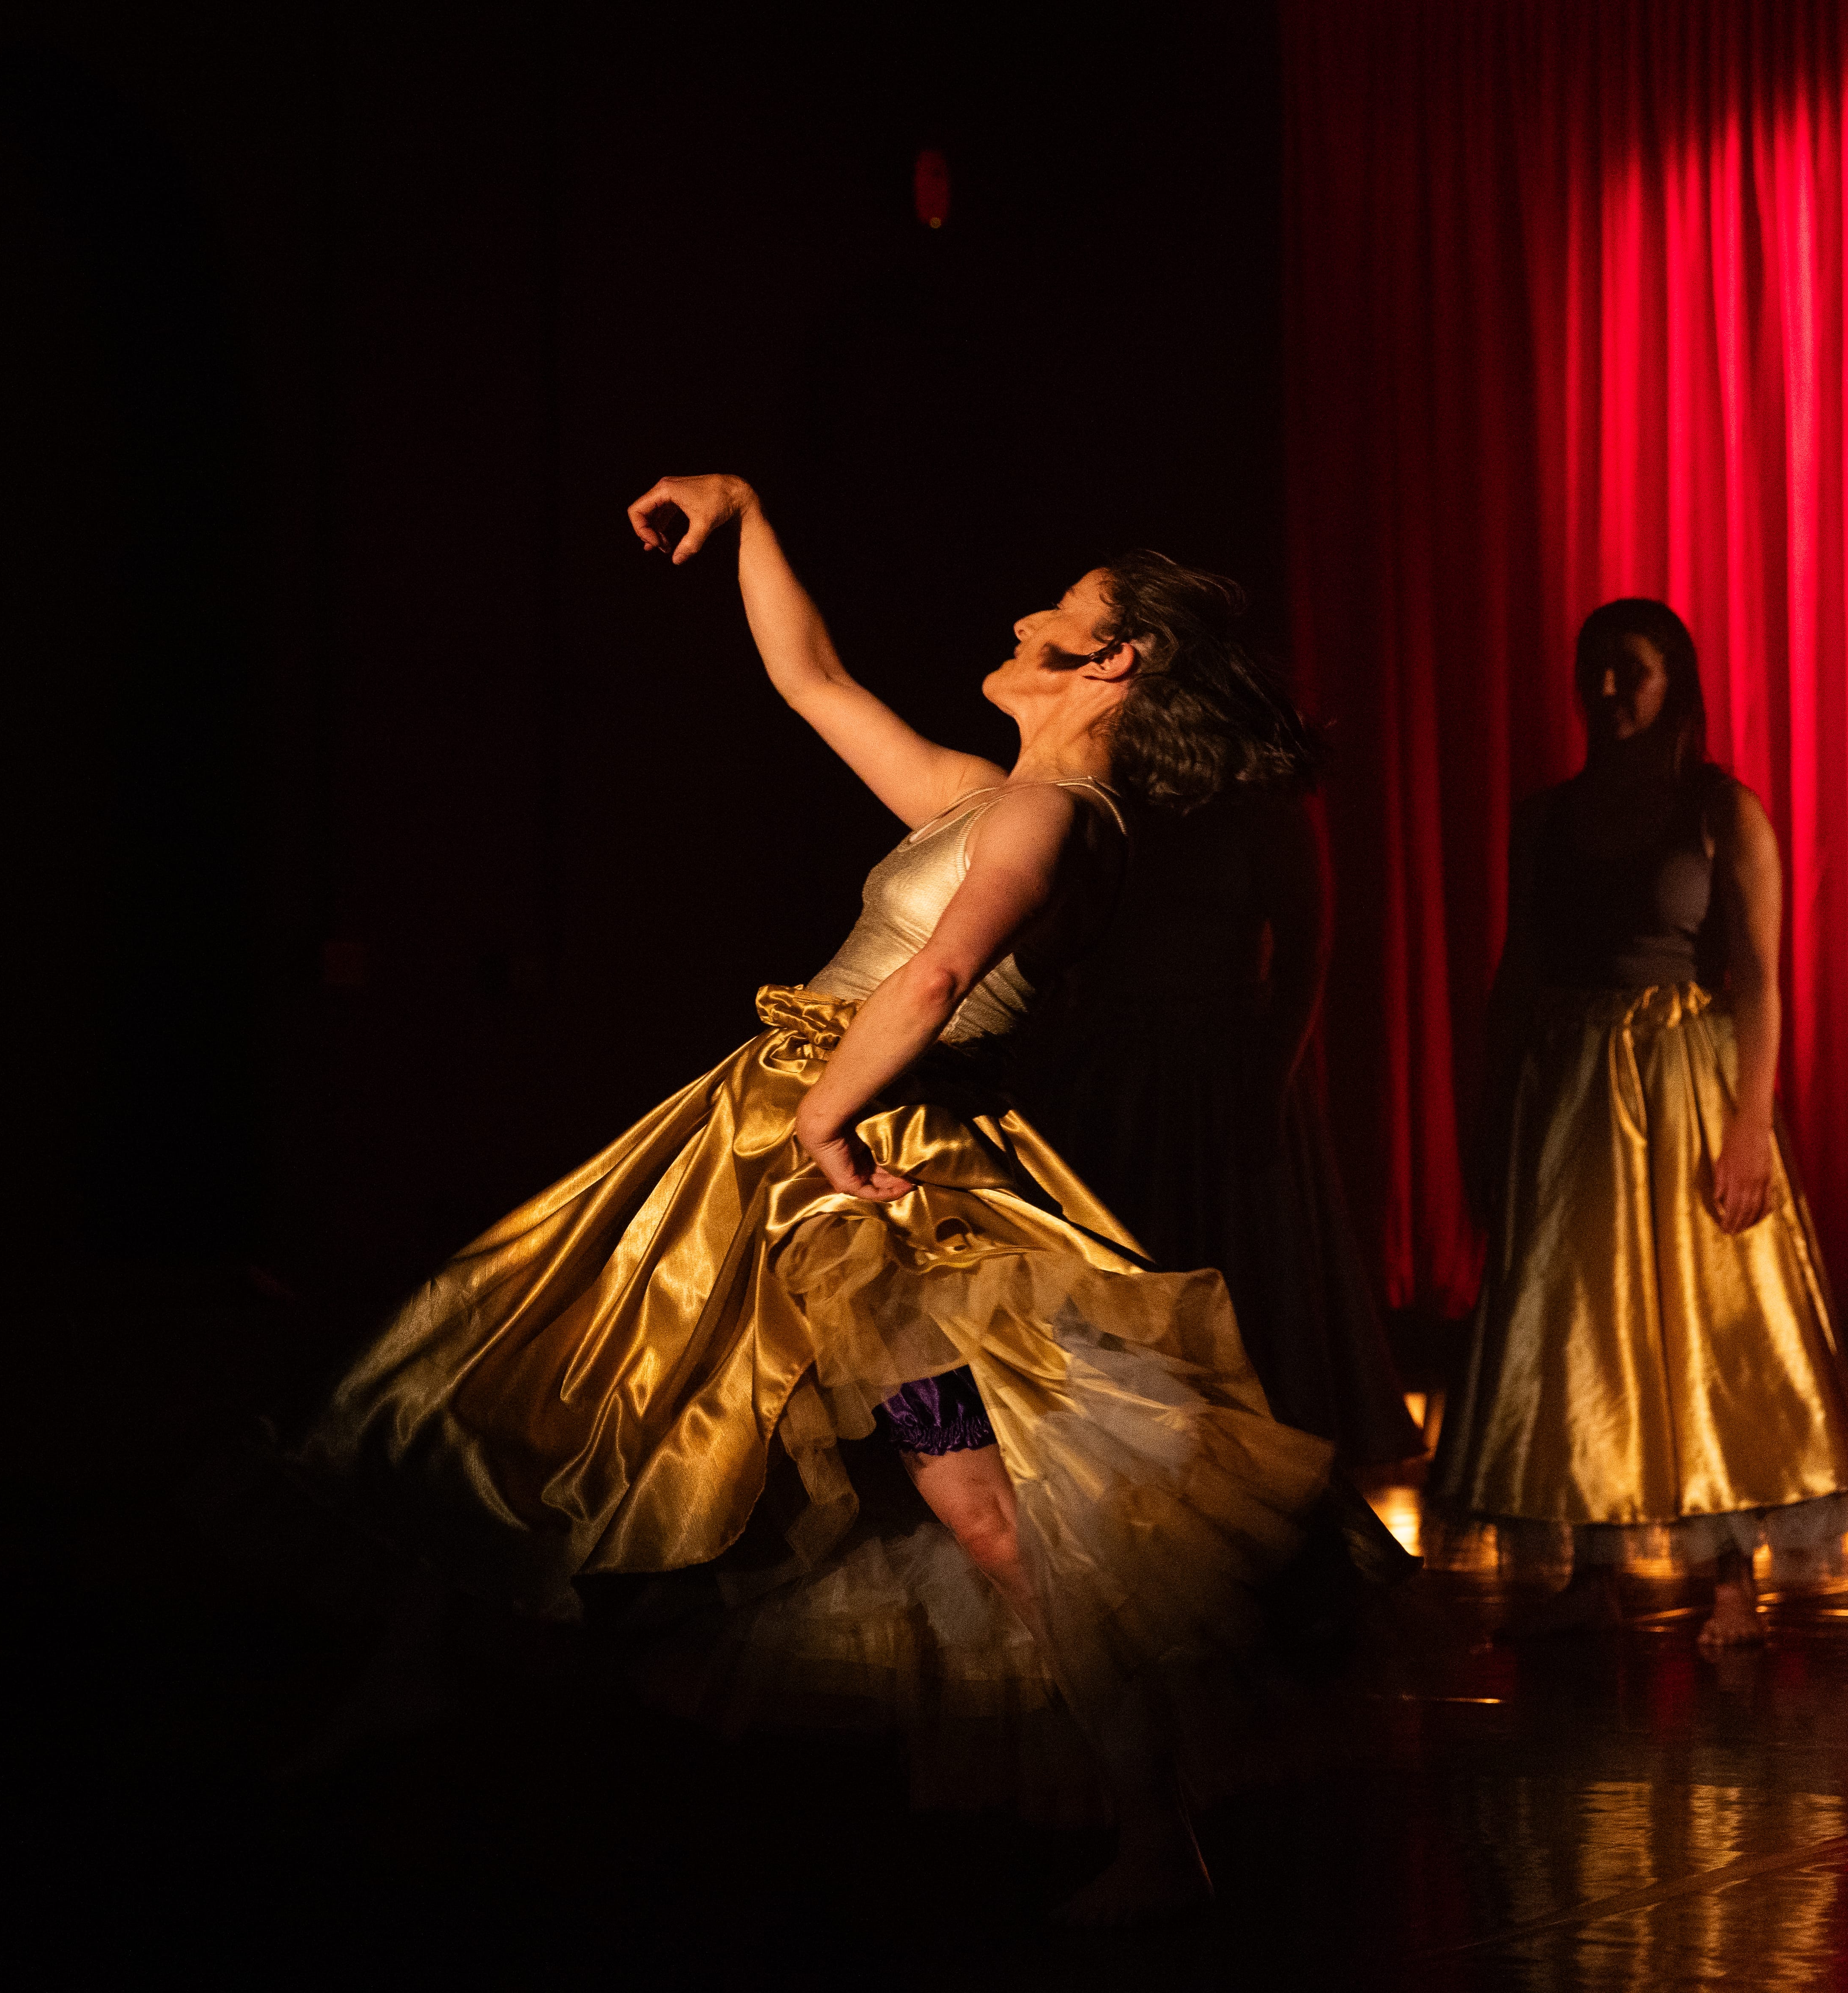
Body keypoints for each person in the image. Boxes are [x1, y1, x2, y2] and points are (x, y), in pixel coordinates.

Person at [309, 474, 1348, 1922]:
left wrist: (818, 1112)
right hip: (791, 1142)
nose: (1020, 617)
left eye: (1058, 609)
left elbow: (934, 978)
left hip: (866, 1186)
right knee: (551, 1363)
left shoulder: (1055, 816)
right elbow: (813, 682)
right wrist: (744, 514)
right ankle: (409, 1668)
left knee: (974, 1497)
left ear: (1110, 659)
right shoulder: (985, 795)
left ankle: (1151, 1824)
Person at [1437, 598, 1848, 1652]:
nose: (1606, 690)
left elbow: (1759, 979)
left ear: (1675, 682)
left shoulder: (1721, 811)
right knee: (1578, 1325)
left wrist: (1750, 1124)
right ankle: (1593, 1566)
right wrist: (1491, 1112)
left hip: (1682, 1079)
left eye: (1629, 669)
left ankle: (1730, 1578)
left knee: (1708, 1321)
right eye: (1593, 669)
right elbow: (1518, 971)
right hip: (1571, 1090)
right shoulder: (1545, 819)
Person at [1013, 767, 1421, 1473]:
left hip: (1223, 1070)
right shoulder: (1099, 797)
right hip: (1116, 1072)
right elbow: (1048, 946)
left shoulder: (1257, 805)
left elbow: (1305, 952)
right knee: (1129, 1265)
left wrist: (1268, 1086)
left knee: (1244, 1274)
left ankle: (1263, 1474)